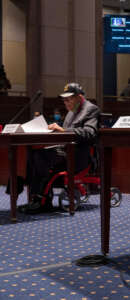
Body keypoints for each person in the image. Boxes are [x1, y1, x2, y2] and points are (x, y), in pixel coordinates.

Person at [21, 83, 100, 214]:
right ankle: (37, 199)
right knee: (33, 153)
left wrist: (63, 130)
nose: (65, 102)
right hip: (65, 151)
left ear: (79, 97)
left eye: (68, 99)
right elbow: (65, 134)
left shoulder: (91, 109)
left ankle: (43, 202)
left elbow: (89, 133)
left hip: (79, 155)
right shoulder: (71, 112)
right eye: (64, 100)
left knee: (41, 156)